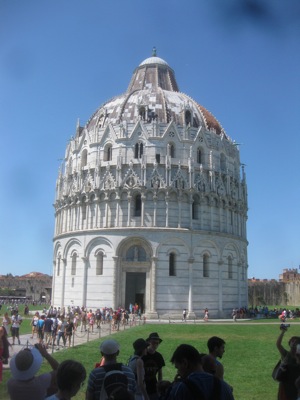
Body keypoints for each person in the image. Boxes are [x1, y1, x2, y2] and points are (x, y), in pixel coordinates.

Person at [166, 344, 234, 399]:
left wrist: (166, 391)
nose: (178, 372)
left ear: (185, 363)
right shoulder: (225, 387)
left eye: (177, 367)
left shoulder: (180, 388)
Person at [142, 332, 165, 400]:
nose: (155, 345)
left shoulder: (159, 357)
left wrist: (160, 386)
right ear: (149, 342)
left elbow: (160, 373)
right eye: (153, 343)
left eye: (157, 343)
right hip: (142, 387)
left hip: (154, 388)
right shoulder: (143, 355)